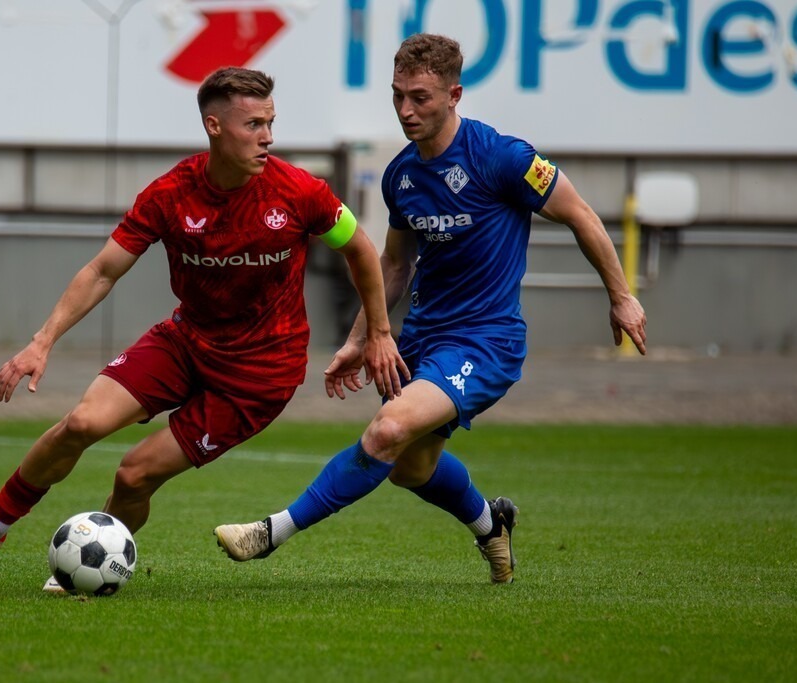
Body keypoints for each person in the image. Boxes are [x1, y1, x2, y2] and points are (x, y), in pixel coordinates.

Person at [0, 67, 407, 591]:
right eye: (253, 125)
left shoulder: (299, 191)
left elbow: (360, 249)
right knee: (81, 424)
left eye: (271, 123)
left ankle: (95, 568)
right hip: (186, 340)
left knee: (134, 474)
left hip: (258, 374)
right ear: (214, 126)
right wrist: (42, 341)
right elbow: (103, 270)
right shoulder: (172, 193)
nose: (267, 137)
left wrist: (376, 332)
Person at [213, 33, 648, 584]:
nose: (405, 110)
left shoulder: (504, 157)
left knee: (386, 431)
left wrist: (621, 294)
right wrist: (360, 337)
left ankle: (269, 533)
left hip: (486, 341)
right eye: (397, 96)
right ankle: (493, 524)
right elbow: (394, 266)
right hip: (423, 338)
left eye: (419, 97)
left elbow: (582, 214)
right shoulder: (401, 176)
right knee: (411, 468)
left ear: (454, 94)